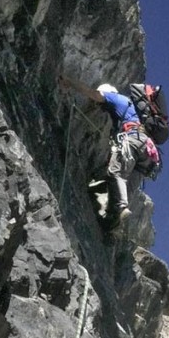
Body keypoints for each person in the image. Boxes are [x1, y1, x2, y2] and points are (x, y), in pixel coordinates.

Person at [59, 74, 155, 227]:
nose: (99, 107)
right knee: (124, 184)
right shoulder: (130, 108)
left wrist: (69, 82)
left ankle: (121, 207)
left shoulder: (114, 98)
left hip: (132, 139)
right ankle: (113, 224)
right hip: (147, 152)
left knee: (115, 173)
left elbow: (94, 94)